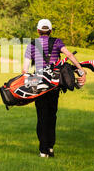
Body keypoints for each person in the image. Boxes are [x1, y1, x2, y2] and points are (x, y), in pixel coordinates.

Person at [22, 19, 86, 158]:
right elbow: (69, 55)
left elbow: (25, 70)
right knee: (52, 116)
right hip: (55, 86)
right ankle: (50, 148)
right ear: (50, 31)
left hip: (39, 86)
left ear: (38, 31)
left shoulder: (32, 45)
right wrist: (80, 70)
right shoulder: (57, 42)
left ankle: (43, 150)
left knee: (41, 117)